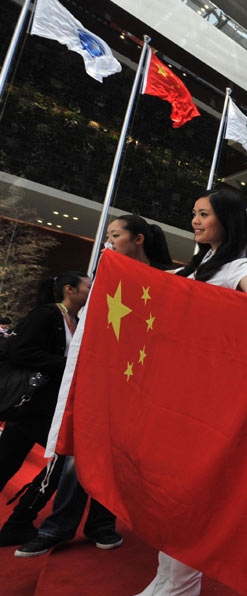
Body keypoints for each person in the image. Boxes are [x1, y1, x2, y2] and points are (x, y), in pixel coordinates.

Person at [110, 190, 247, 596]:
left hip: (207, 402)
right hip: (177, 395)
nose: (195, 220)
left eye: (203, 214)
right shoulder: (197, 266)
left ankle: (182, 583)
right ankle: (164, 578)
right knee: (166, 487)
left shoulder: (240, 268)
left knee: (187, 490)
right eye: (194, 213)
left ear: (227, 219)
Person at [11, 215, 175, 557]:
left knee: (119, 457)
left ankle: (102, 523)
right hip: (97, 381)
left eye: (115, 235)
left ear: (138, 239)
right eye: (108, 236)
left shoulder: (168, 279)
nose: (109, 242)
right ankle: (57, 527)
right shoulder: (106, 277)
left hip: (138, 383)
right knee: (78, 453)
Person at [0, 272, 91, 545]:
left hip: (42, 407)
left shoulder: (75, 322)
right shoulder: (47, 315)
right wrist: (67, 365)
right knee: (61, 458)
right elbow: (20, 351)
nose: (92, 291)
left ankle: (19, 523)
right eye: (88, 286)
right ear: (69, 289)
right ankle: (20, 520)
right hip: (30, 404)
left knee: (7, 461)